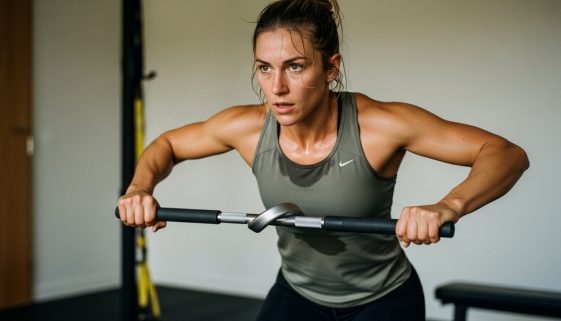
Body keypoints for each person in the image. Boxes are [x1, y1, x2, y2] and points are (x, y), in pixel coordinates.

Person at [117, 0, 529, 320]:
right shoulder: (247, 127)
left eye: (295, 67)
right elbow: (167, 145)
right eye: (265, 68)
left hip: (382, 300)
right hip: (297, 292)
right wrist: (139, 188)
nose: (276, 87)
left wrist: (448, 206)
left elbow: (505, 153)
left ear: (331, 67)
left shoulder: (379, 125)